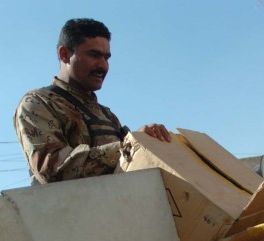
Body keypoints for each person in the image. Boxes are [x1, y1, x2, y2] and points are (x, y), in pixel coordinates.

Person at [14, 18, 171, 184]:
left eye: (106, 58)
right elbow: (52, 170)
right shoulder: (38, 103)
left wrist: (149, 143)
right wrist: (131, 146)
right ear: (65, 54)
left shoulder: (107, 115)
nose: (103, 66)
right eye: (94, 55)